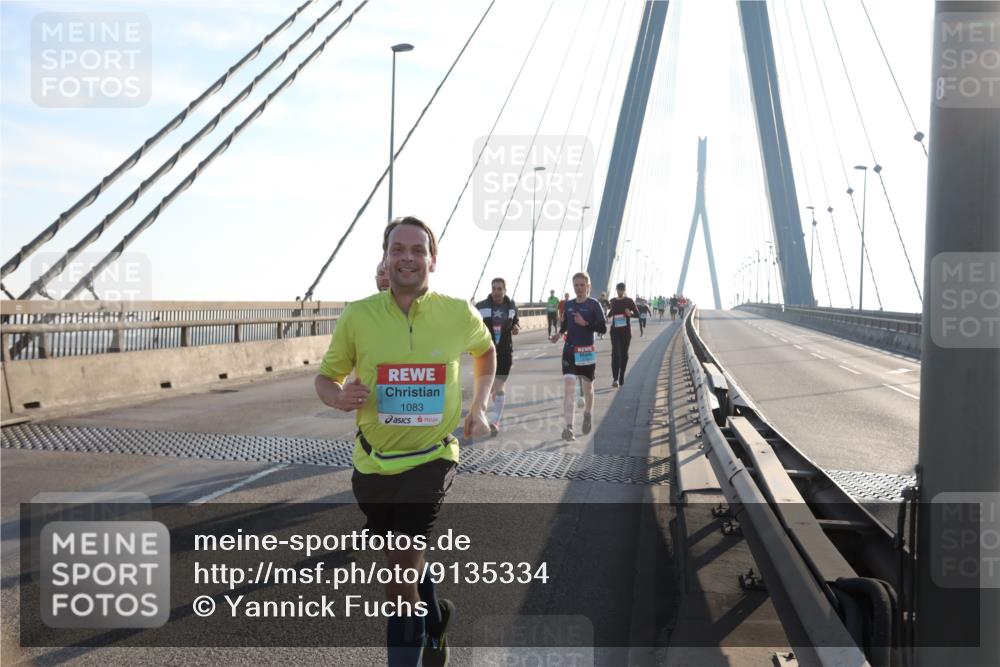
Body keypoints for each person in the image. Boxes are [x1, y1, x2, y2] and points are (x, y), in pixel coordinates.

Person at [315, 216, 496, 667]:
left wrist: (479, 407)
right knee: (404, 560)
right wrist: (338, 397)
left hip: (432, 459)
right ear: (386, 257)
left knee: (397, 575)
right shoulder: (359, 316)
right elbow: (325, 377)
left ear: (433, 259)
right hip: (373, 465)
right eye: (398, 249)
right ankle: (435, 623)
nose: (408, 257)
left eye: (418, 250)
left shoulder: (458, 313)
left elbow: (486, 351)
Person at [550, 272, 606, 441]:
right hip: (569, 351)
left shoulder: (594, 305)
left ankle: (587, 414)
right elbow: (566, 323)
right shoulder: (568, 305)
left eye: (582, 285)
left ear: (588, 287)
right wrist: (558, 334)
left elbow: (603, 328)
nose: (579, 288)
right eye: (576, 285)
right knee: (569, 388)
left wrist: (586, 323)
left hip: (586, 352)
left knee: (588, 389)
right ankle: (569, 427)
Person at [476, 278, 520, 436]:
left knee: (497, 386)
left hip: (505, 353)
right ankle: (489, 417)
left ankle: (494, 421)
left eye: (500, 288)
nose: (496, 291)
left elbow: (516, 321)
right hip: (486, 353)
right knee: (490, 387)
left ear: (505, 290)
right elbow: (473, 327)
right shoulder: (481, 306)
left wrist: (515, 327)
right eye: (494, 288)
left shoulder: (511, 305)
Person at [606, 282, 638, 387]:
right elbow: (611, 313)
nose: (620, 291)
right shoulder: (613, 301)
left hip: (625, 332)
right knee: (616, 353)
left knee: (624, 355)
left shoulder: (629, 301)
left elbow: (637, 314)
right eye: (619, 289)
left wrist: (631, 313)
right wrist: (606, 316)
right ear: (616, 290)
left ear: (624, 290)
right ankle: (615, 379)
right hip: (615, 331)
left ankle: (622, 376)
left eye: (622, 289)